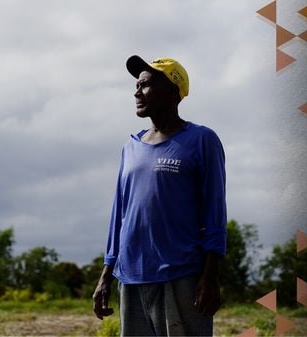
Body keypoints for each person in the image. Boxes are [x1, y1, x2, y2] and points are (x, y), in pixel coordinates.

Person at [92, 55, 227, 336]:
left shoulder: (201, 140)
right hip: (131, 277)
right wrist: (107, 273)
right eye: (136, 86)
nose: (136, 92)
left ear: (172, 91)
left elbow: (214, 211)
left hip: (181, 274)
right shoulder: (131, 147)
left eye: (145, 85)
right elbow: (120, 213)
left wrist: (211, 277)